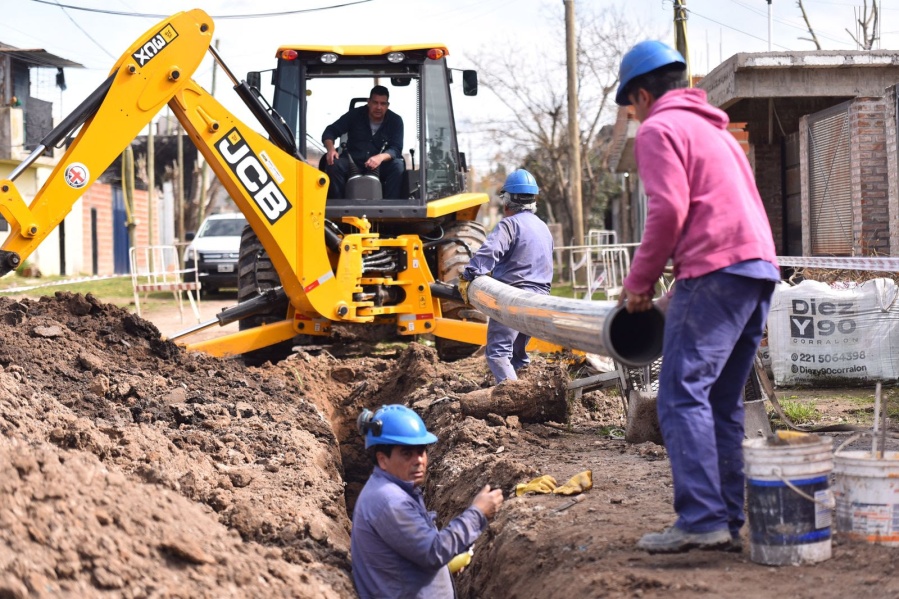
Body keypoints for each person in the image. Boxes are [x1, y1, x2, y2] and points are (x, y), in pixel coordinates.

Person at [614, 40, 780, 554]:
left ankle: (702, 517)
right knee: (723, 400)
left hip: (717, 272)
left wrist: (639, 283)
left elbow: (668, 212)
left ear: (642, 95)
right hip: (756, 272)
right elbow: (722, 211)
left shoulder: (660, 129)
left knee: (681, 394)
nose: (634, 116)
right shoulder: (718, 133)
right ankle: (727, 520)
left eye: (631, 106)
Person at [351, 404, 504, 598]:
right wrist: (477, 513)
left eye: (421, 451)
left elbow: (414, 552)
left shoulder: (396, 489)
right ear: (382, 459)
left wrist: (444, 570)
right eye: (407, 453)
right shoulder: (389, 501)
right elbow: (433, 551)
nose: (419, 461)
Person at [458, 169, 554, 384]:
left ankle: (514, 398)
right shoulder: (543, 227)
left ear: (507, 201)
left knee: (499, 353)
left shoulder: (509, 225)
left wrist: (469, 275)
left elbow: (489, 253)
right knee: (517, 354)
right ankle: (526, 393)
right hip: (538, 300)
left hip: (511, 298)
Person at [322, 85, 404, 199]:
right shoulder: (354, 115)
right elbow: (330, 131)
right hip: (352, 162)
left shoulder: (396, 121)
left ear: (387, 105)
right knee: (334, 165)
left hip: (380, 165)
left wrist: (380, 157)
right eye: (375, 103)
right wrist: (330, 149)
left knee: (398, 165)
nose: (379, 107)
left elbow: (396, 148)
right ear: (368, 102)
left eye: (383, 104)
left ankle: (391, 209)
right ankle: (339, 208)